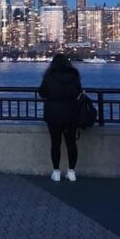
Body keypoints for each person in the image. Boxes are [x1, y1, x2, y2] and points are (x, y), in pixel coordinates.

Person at [38, 54, 82, 182]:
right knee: (71, 143)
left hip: (53, 114)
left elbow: (42, 92)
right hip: (71, 113)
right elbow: (78, 92)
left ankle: (56, 172)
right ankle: (71, 171)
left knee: (55, 143)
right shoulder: (74, 76)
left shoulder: (49, 76)